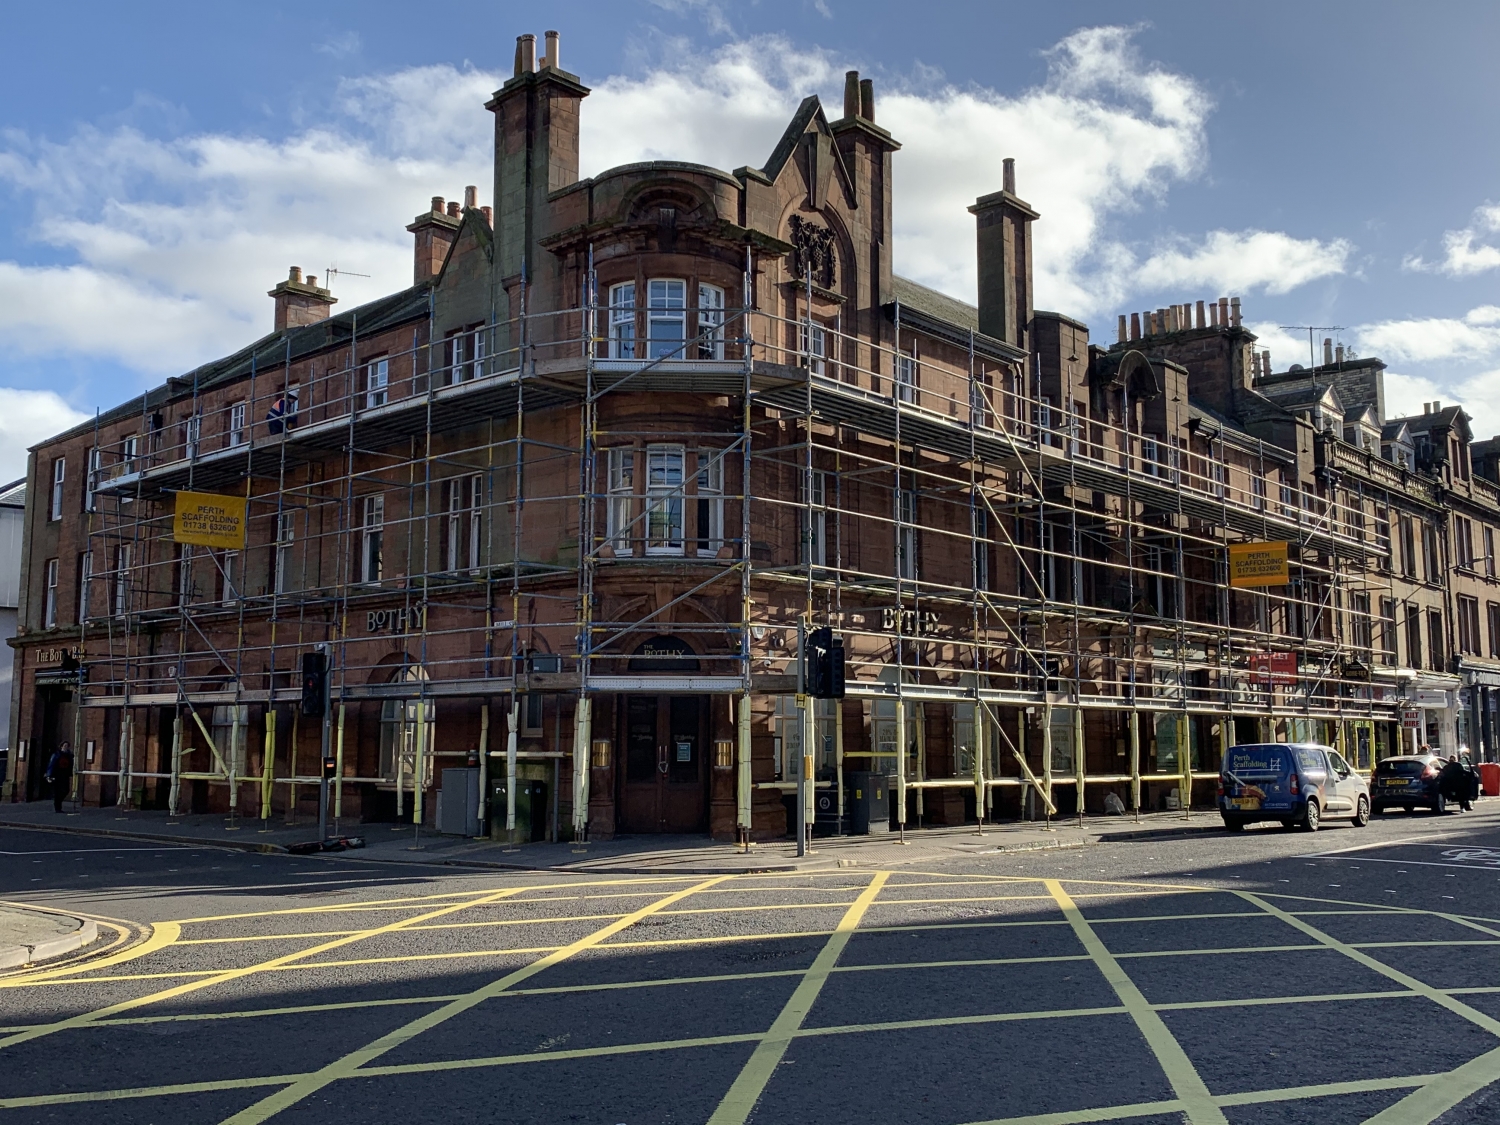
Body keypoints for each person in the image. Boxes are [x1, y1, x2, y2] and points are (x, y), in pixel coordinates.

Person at [44, 741, 74, 813]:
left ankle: (58, 802)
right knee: (58, 791)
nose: (66, 747)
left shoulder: (69, 755)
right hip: (57, 775)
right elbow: (51, 765)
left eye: (67, 746)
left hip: (65, 774)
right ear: (61, 746)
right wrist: (49, 775)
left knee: (66, 790)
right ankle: (57, 807)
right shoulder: (56, 755)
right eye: (65, 745)